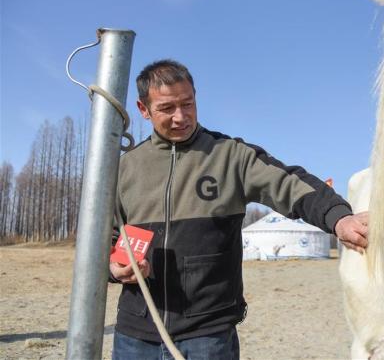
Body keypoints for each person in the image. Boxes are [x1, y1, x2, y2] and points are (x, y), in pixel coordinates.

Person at [109, 59, 368, 359]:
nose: (181, 116)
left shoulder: (231, 156)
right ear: (144, 110)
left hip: (207, 336)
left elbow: (290, 183)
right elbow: (106, 240)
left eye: (188, 103)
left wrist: (339, 217)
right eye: (167, 108)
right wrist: (114, 268)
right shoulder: (126, 168)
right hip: (135, 336)